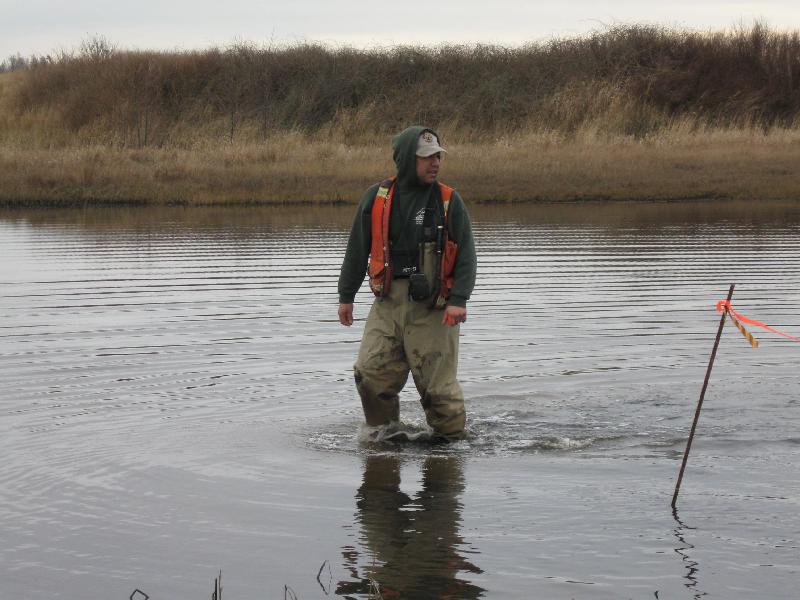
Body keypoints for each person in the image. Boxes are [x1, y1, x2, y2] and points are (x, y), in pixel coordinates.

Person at [337, 125, 477, 440]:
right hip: (387, 303)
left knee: (438, 391)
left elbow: (467, 253)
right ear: (404, 159)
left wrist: (459, 300)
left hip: (435, 307)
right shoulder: (376, 197)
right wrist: (346, 296)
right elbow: (357, 249)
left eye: (438, 156)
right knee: (370, 374)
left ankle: (451, 447)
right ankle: (385, 436)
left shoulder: (449, 201)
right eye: (426, 157)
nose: (435, 163)